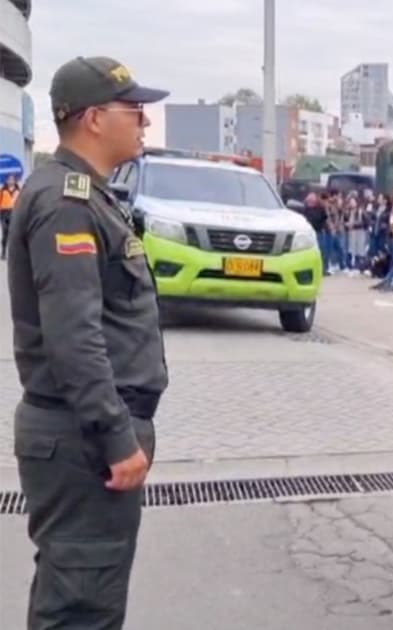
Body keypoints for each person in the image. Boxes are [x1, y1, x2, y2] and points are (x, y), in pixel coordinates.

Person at [7, 56, 170, 630]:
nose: (145, 122)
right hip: (83, 440)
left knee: (80, 591)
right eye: (135, 110)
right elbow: (74, 337)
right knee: (81, 606)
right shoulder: (66, 204)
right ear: (95, 119)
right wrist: (115, 435)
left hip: (84, 433)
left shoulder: (88, 196)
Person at [1, 172, 19, 260]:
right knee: (5, 233)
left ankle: (13, 253)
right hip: (4, 213)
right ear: (7, 180)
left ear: (15, 181)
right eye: (9, 179)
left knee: (13, 234)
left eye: (12, 179)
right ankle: (3, 252)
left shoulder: (18, 191)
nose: (11, 181)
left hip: (14, 213)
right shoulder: (2, 191)